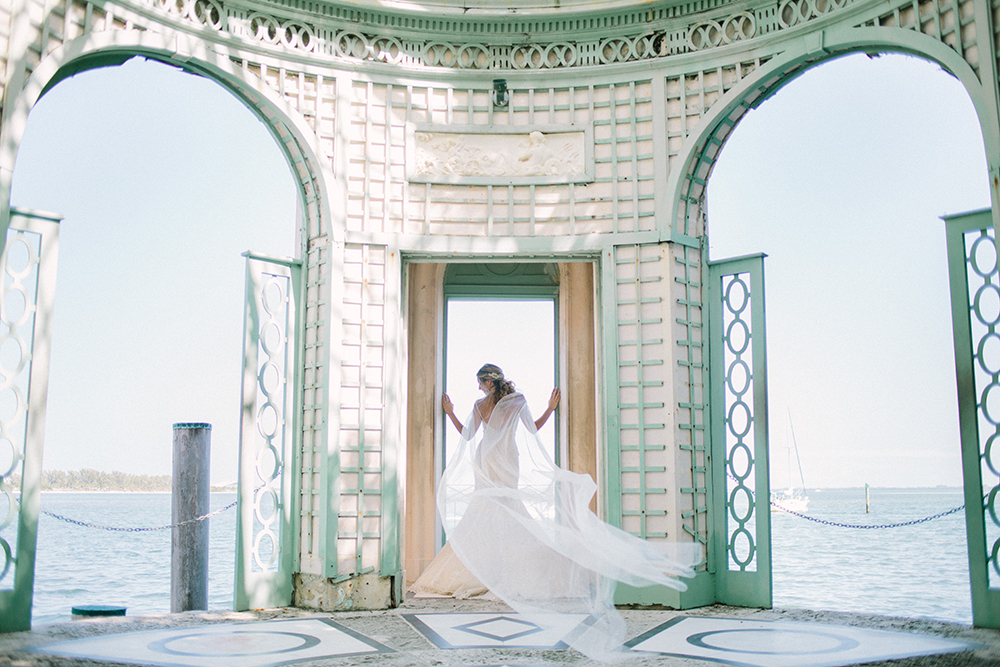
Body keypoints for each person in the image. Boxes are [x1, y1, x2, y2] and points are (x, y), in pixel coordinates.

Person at [410, 363, 701, 662]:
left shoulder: (480, 405)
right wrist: (550, 409)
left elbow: (467, 436)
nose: (479, 388)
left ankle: (484, 569)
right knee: (507, 510)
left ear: (487, 381)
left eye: (480, 383)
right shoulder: (517, 400)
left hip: (486, 459)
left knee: (486, 509)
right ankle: (501, 569)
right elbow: (533, 428)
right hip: (507, 457)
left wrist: (450, 413)